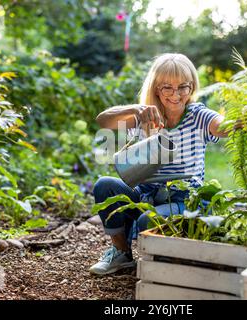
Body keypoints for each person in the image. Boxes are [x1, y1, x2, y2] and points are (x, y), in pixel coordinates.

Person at [89, 53, 236, 275]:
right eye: (167, 87)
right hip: (146, 194)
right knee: (104, 185)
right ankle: (121, 254)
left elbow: (221, 126)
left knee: (147, 219)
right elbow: (103, 120)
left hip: (183, 199)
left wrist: (241, 122)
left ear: (192, 87)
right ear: (157, 89)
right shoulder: (147, 115)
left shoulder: (198, 115)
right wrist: (135, 109)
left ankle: (162, 264)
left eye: (183, 87)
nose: (176, 95)